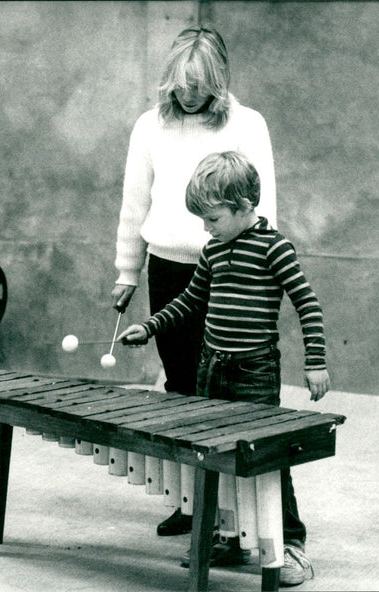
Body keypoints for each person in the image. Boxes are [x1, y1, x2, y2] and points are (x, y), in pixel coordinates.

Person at [118, 151, 330, 587]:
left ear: (244, 206)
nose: (205, 228)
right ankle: (232, 537)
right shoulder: (214, 250)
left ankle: (292, 546)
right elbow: (190, 301)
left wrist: (316, 362)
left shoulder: (275, 249)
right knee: (215, 456)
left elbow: (307, 305)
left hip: (253, 372)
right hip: (211, 367)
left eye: (212, 218)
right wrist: (149, 326)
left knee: (266, 459)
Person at [111, 25, 277, 539]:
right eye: (181, 82)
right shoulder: (148, 127)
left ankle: (256, 521)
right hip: (167, 269)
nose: (188, 92)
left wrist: (253, 275)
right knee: (182, 391)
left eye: (199, 83)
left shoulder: (248, 124)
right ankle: (191, 503)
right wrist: (127, 271)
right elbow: (135, 203)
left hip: (228, 272)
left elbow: (261, 205)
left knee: (231, 398)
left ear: (218, 79)